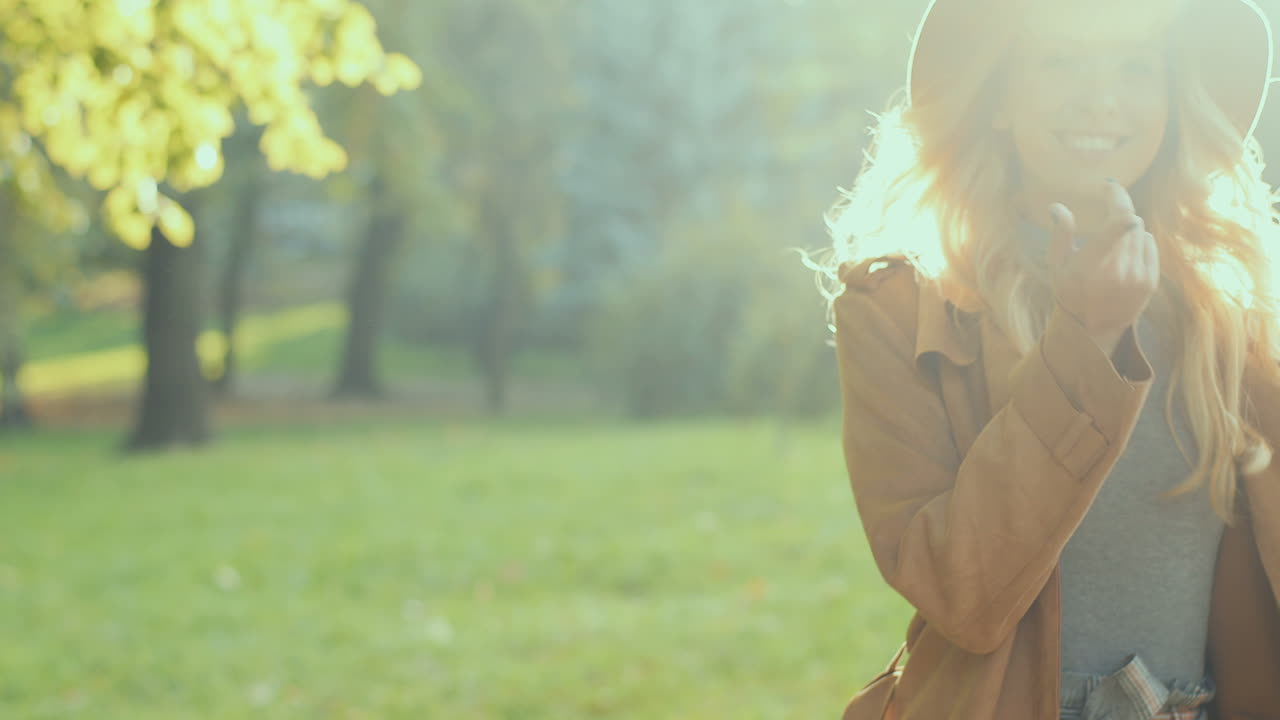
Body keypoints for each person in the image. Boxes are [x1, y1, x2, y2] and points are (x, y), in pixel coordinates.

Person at [822, 0, 1280, 718]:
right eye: (1059, 62)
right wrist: (1086, 343)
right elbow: (960, 595)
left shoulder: (1232, 314)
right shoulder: (898, 311)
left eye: (1135, 67)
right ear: (1000, 97)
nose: (1099, 98)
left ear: (1169, 100)